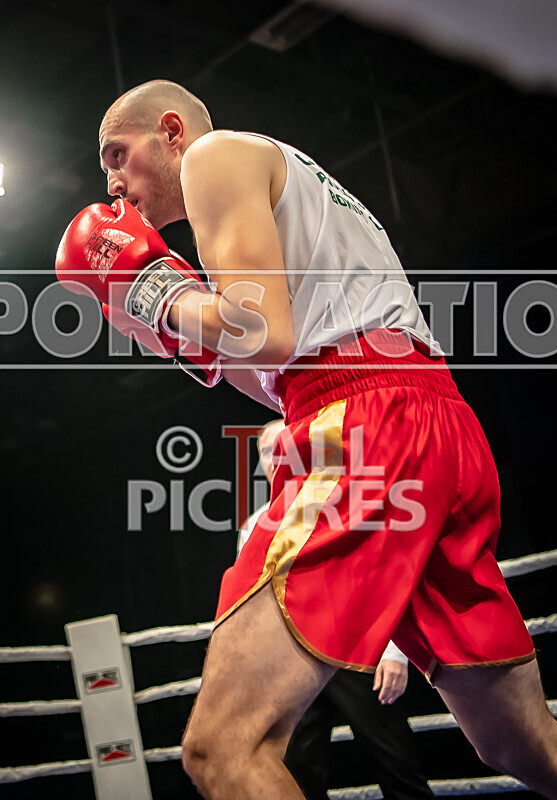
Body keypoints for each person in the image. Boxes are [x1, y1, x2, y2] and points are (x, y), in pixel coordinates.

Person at [54, 79, 557, 799]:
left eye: (117, 153)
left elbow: (264, 333)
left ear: (171, 131)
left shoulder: (214, 157)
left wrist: (150, 291)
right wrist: (162, 320)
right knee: (520, 741)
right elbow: (281, 375)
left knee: (222, 749)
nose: (110, 180)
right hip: (432, 421)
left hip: (367, 427)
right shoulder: (302, 190)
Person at [242, 420, 434, 800]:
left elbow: (382, 577)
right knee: (299, 775)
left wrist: (395, 653)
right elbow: (254, 605)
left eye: (282, 446)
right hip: (293, 665)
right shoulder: (254, 527)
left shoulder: (345, 504)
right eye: (266, 451)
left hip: (356, 650)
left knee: (396, 763)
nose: (275, 457)